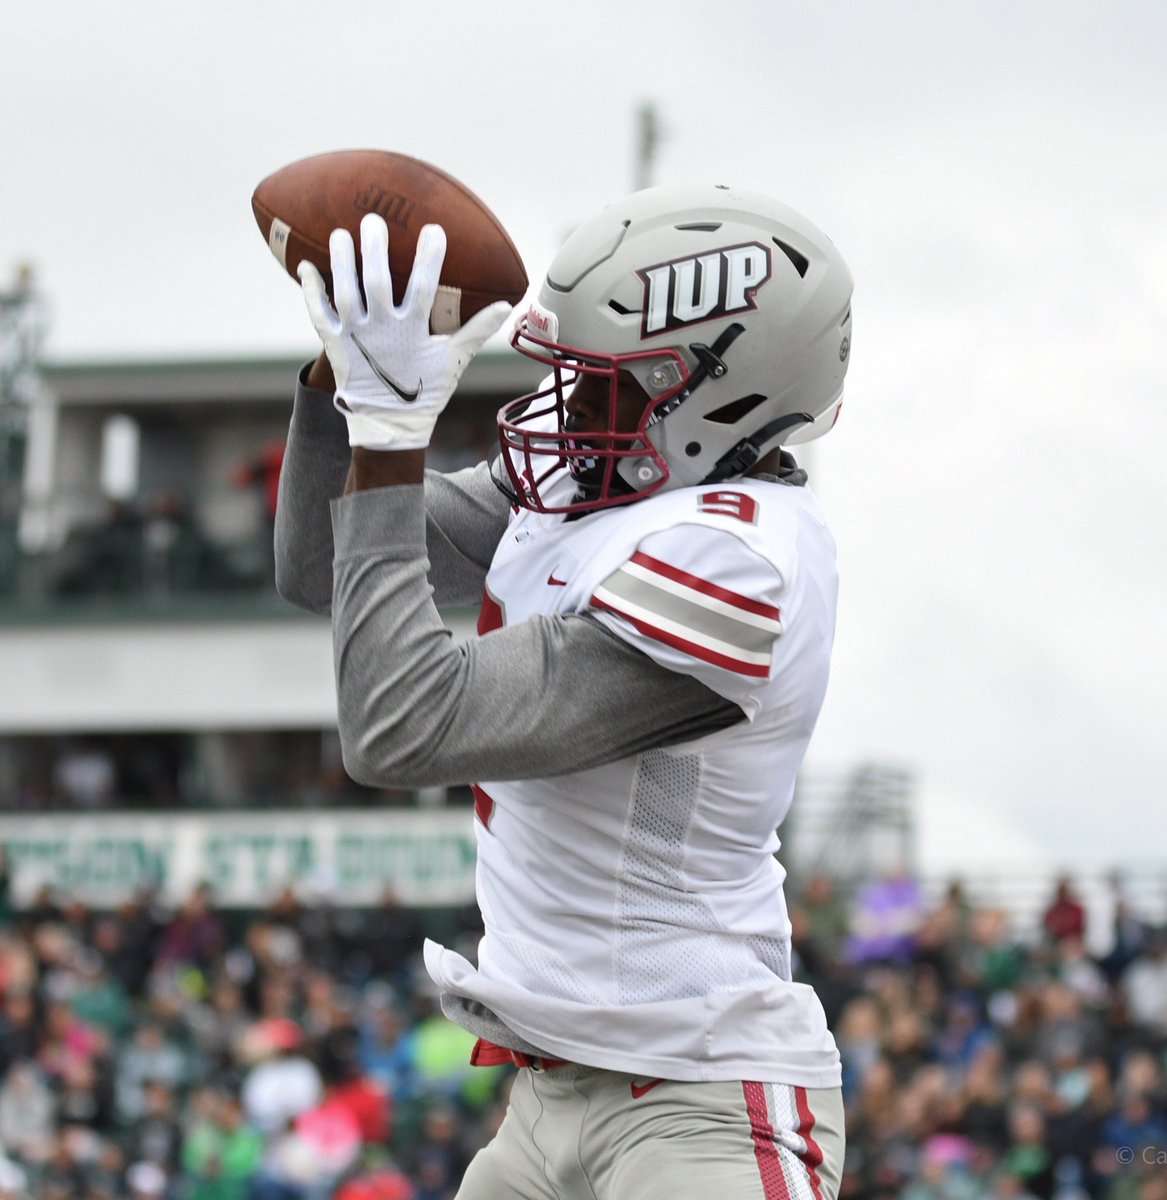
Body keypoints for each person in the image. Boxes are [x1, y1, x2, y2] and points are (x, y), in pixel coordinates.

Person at [274, 182, 855, 1199]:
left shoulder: (739, 556)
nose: (562, 407)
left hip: (700, 1104)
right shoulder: (611, 471)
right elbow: (325, 566)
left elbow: (401, 730)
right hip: (541, 1107)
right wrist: (340, 385)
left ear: (716, 393)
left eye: (603, 382)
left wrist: (390, 439)